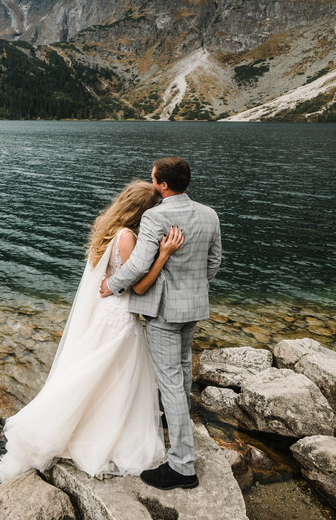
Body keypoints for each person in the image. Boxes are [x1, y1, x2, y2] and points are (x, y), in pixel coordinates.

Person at [0, 181, 184, 483]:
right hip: (120, 316)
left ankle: (82, 421)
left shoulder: (110, 227)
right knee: (113, 374)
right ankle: (98, 430)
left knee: (99, 371)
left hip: (105, 311)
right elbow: (137, 286)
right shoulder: (127, 237)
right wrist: (163, 255)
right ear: (143, 212)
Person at [100, 156, 222, 490]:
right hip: (193, 308)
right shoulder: (210, 214)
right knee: (182, 370)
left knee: (170, 382)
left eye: (154, 178)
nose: (152, 182)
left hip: (163, 312)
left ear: (163, 185)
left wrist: (112, 285)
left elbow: (139, 265)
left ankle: (182, 467)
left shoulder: (155, 216)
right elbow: (214, 262)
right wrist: (193, 287)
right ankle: (175, 421)